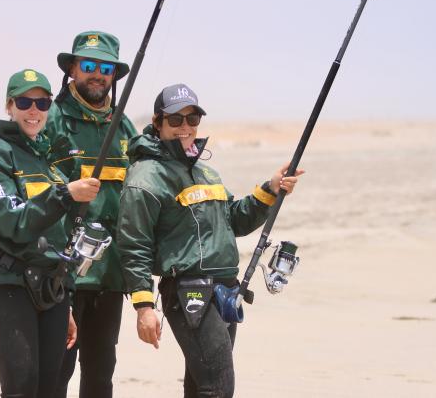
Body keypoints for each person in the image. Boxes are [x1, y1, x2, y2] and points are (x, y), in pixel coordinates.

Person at [116, 83, 304, 398]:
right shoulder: (145, 176)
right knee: (218, 385)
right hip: (188, 292)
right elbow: (134, 245)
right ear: (158, 121)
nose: (185, 127)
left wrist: (270, 190)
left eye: (192, 119)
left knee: (200, 384)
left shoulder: (205, 171)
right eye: (175, 120)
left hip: (226, 291)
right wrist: (143, 306)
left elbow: (234, 221)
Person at [0, 68, 101, 398]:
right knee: (21, 387)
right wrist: (65, 195)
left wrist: (65, 297)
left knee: (52, 386)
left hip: (53, 289)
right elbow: (12, 221)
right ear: (9, 106)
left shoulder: (47, 163)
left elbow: (60, 238)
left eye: (43, 103)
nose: (34, 110)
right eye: (25, 101)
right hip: (9, 284)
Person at [46, 31, 137, 398]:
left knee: (100, 377)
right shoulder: (51, 119)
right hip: (61, 272)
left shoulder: (125, 127)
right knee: (55, 374)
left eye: (105, 67)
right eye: (88, 65)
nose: (97, 74)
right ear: (72, 69)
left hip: (109, 274)